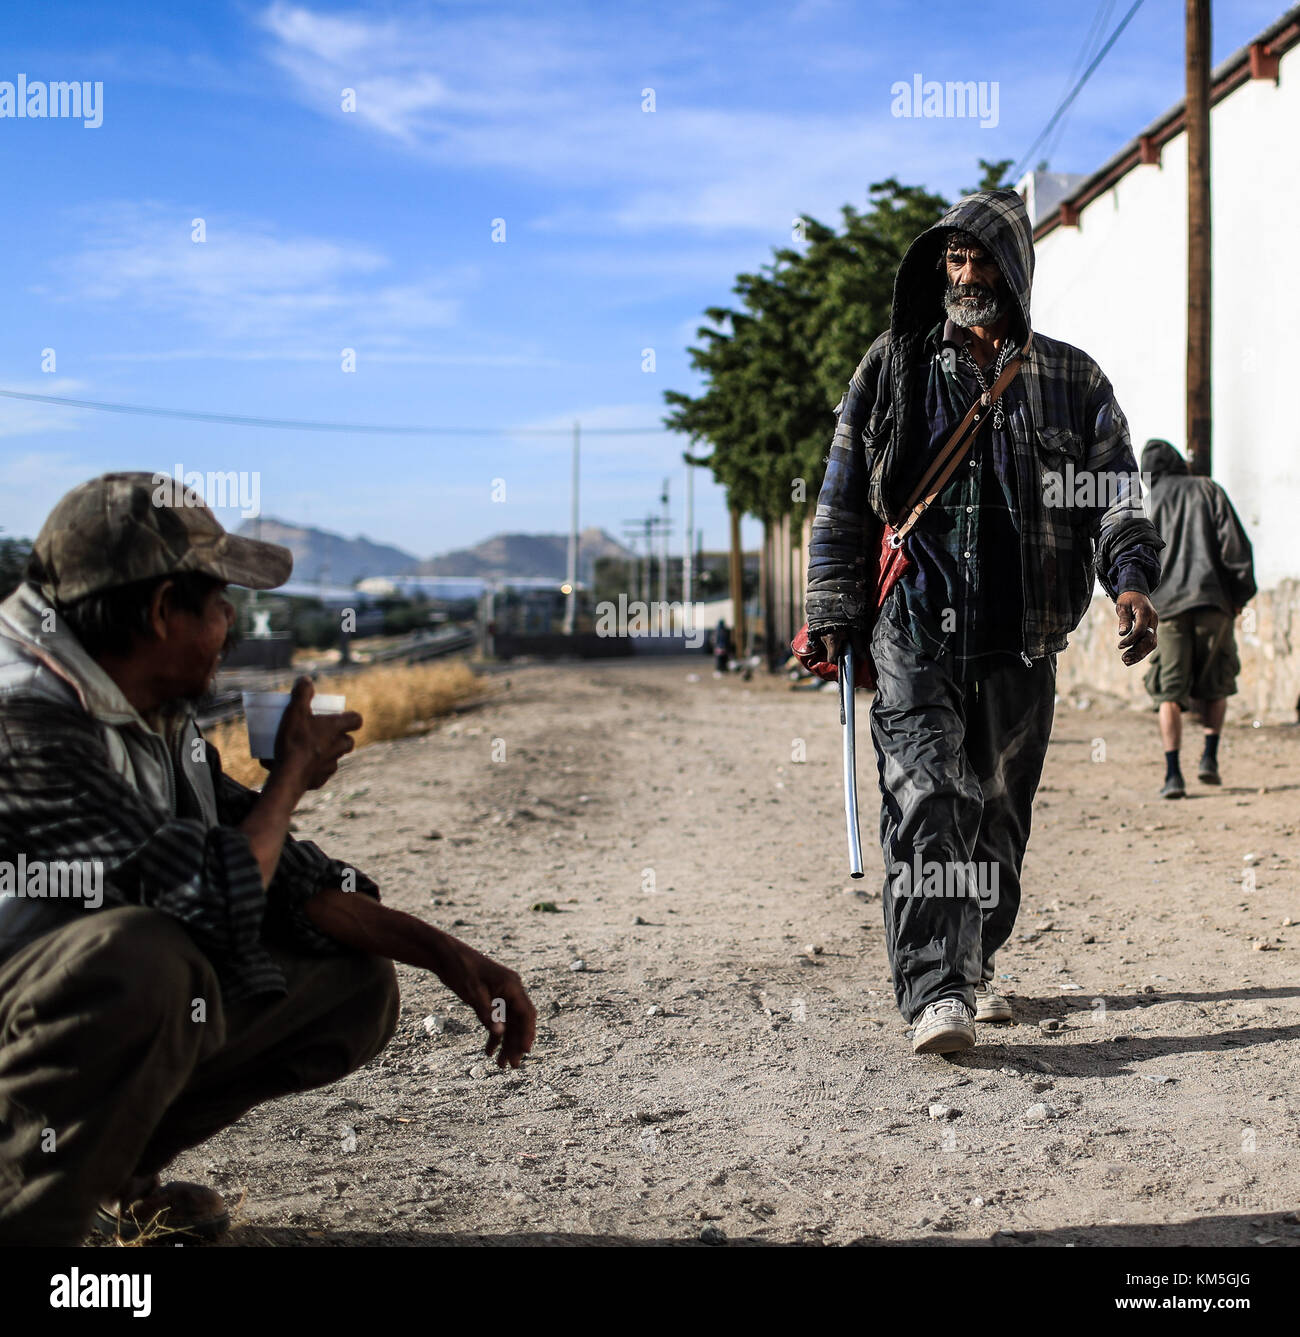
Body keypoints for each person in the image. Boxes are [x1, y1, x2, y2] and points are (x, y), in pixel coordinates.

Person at [0, 473, 536, 1245]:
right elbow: (211, 900)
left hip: (39, 1023)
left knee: (352, 984)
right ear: (159, 612)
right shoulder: (26, 718)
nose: (231, 625)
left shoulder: (142, 705)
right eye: (222, 604)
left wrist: (451, 957)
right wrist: (289, 775)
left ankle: (108, 1179)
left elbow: (279, 872)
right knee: (149, 962)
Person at [801, 190, 1163, 1056]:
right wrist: (829, 608)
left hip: (1021, 635)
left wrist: (1132, 582)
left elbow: (1114, 491)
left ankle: (975, 954)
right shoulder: (893, 365)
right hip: (913, 625)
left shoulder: (1074, 381)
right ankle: (936, 989)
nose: (966, 276)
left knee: (998, 818)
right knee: (928, 794)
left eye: (983, 260)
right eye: (954, 261)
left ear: (1018, 272)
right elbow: (843, 489)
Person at [1139, 439, 1256, 797]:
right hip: (1213, 603)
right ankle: (1209, 758)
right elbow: (1235, 546)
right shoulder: (1208, 489)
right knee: (1216, 682)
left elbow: (1137, 559)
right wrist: (1238, 597)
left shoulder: (1147, 503)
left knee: (1168, 693)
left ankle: (1173, 775)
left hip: (1167, 610)